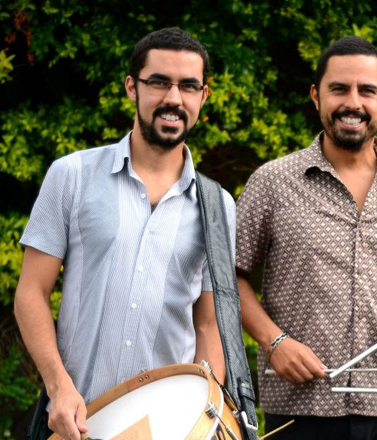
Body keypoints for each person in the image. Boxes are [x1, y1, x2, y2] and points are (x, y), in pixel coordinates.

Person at [14, 28, 235, 440]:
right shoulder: (72, 176)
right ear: (132, 87)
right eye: (159, 82)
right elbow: (30, 293)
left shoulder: (218, 206)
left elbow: (208, 327)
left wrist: (203, 416)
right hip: (75, 420)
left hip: (167, 429)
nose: (174, 98)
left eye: (188, 86)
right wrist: (58, 387)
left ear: (204, 96)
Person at [235, 36, 377, 440]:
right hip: (299, 409)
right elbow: (228, 278)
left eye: (367, 91)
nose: (352, 102)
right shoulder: (272, 182)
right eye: (339, 88)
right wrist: (274, 341)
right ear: (315, 96)